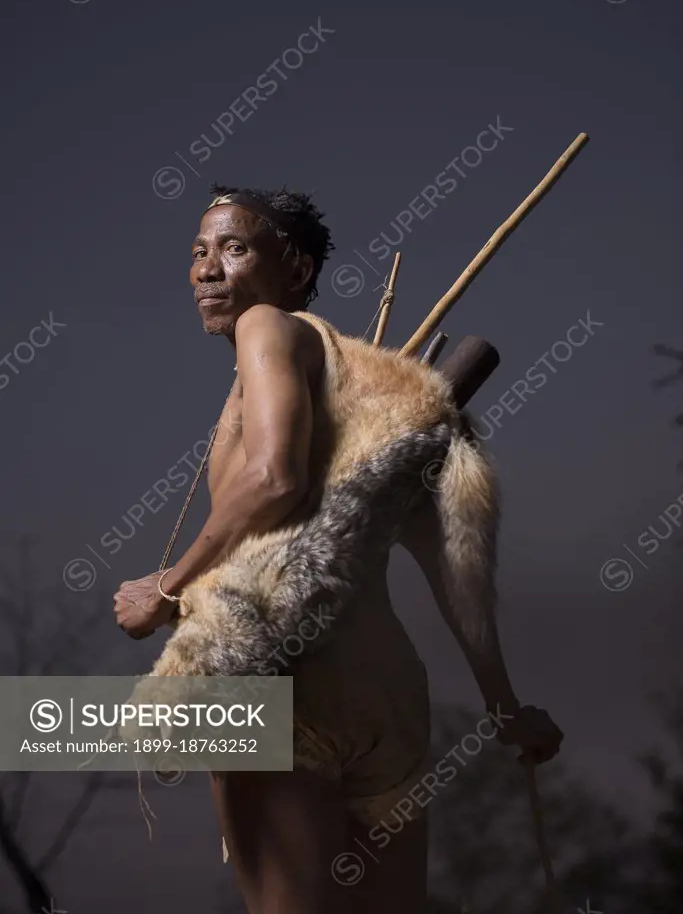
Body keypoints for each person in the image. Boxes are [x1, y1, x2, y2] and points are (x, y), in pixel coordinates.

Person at [113, 185, 563, 914]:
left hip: (282, 689)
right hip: (387, 699)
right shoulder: (379, 401)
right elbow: (453, 560)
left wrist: (167, 587)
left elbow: (273, 478)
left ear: (293, 270)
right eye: (197, 252)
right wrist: (503, 706)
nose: (206, 269)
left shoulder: (269, 326)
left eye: (234, 247)